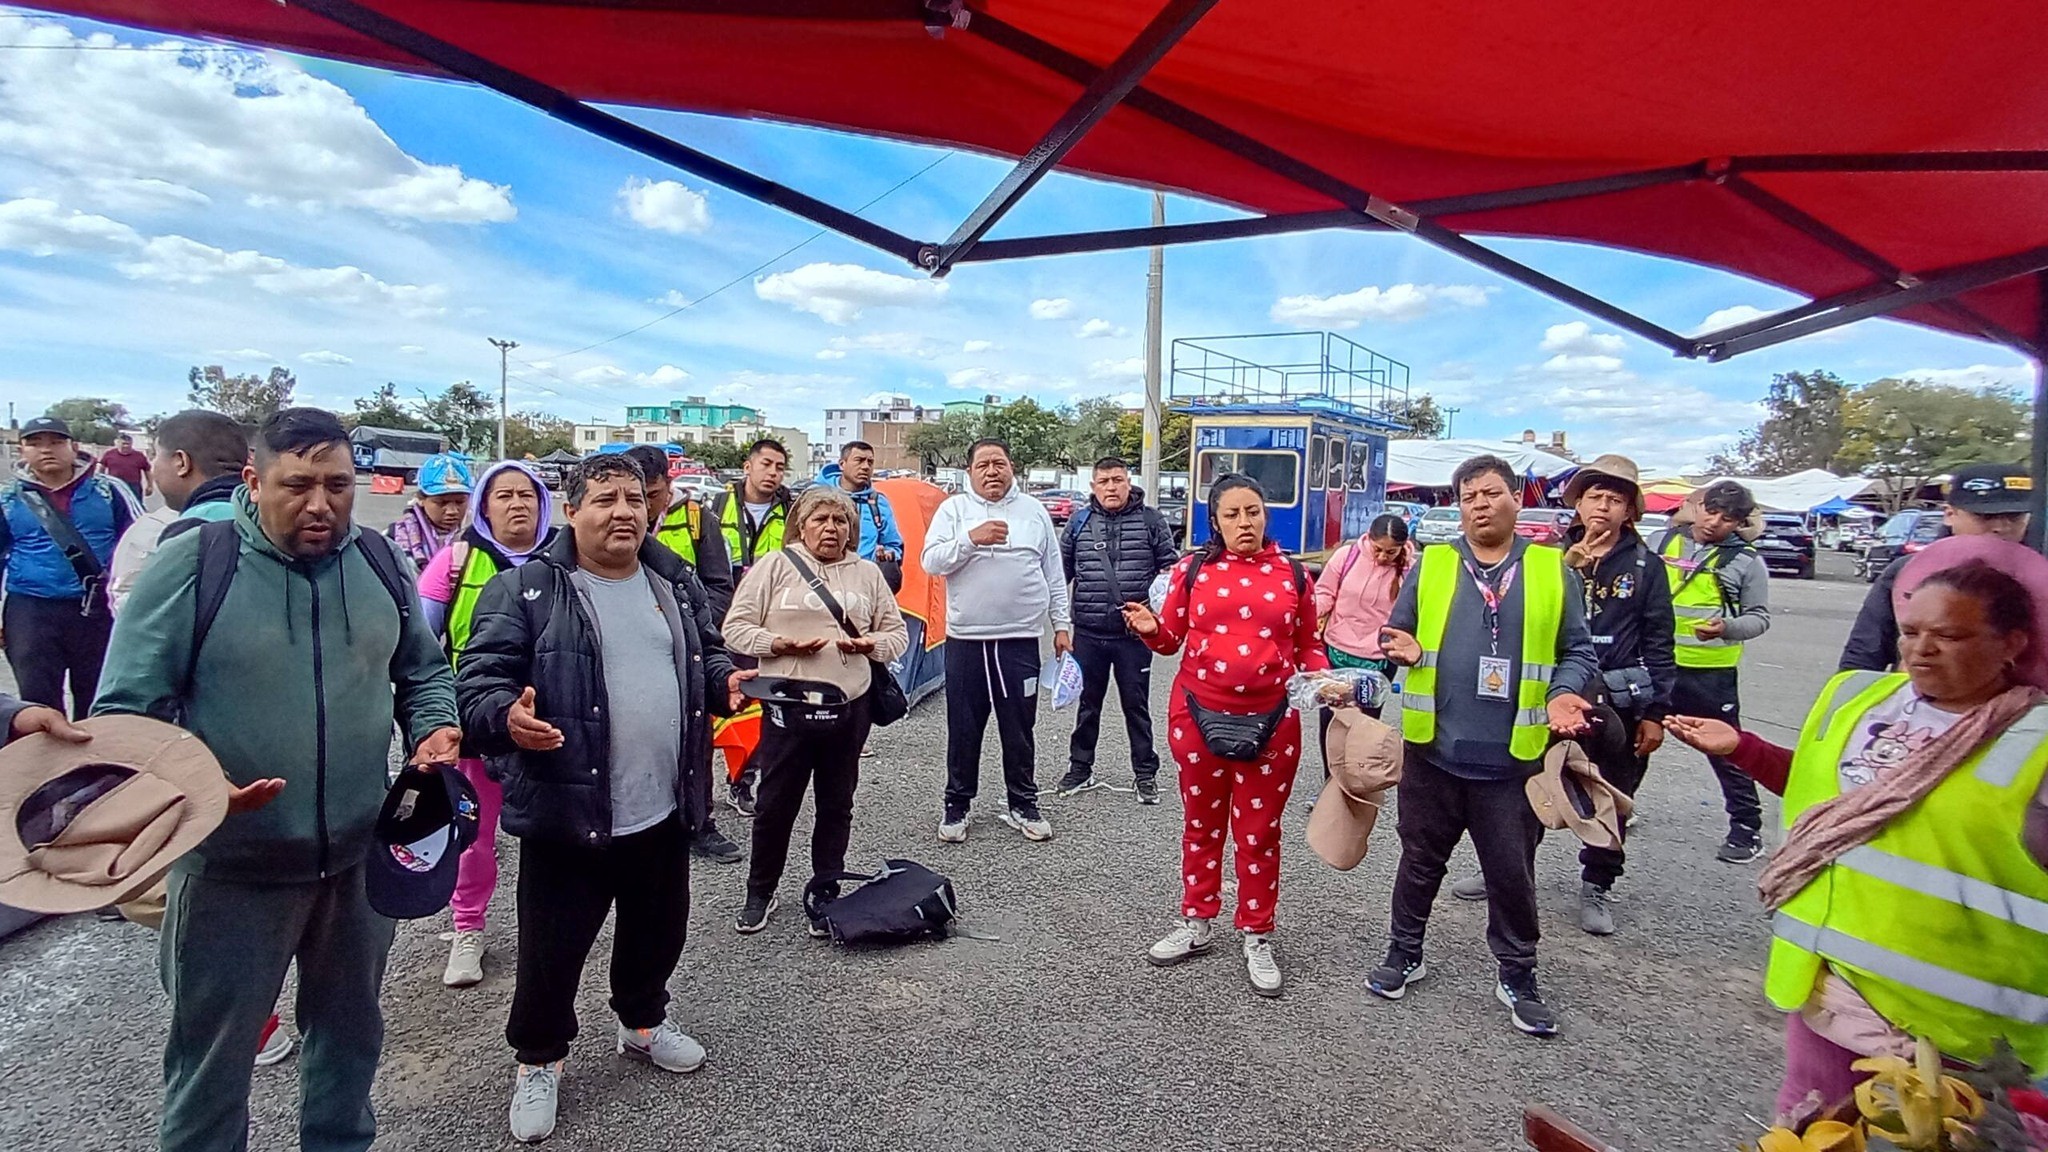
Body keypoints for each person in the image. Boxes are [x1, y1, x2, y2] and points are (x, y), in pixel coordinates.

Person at [93, 407, 462, 1152]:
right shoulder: (195, 562)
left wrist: (433, 725)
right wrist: (193, 785)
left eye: (338, 484)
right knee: (211, 1070)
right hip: (232, 870)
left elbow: (421, 671)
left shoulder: (378, 562)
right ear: (254, 481)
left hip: (358, 864)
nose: (321, 504)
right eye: (297, 485)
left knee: (348, 1045)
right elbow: (123, 713)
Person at [1664, 555, 2048, 1112]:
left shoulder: (2035, 741)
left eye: (1951, 636)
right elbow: (1835, 804)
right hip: (1831, 996)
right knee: (1810, 1131)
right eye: (1911, 632)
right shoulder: (1857, 697)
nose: (1921, 650)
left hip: (1968, 1033)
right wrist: (1744, 749)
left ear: (2012, 642)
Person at [455, 453, 748, 1145]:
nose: (624, 512)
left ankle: (642, 1022)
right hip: (569, 811)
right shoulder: (526, 589)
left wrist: (724, 680)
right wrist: (504, 715)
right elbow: (478, 681)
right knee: (552, 952)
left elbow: (704, 654)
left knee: (658, 931)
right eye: (606, 499)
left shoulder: (672, 581)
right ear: (573, 510)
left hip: (662, 806)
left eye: (634, 500)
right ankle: (539, 1058)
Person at [1368, 454, 1600, 1037]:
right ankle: (1404, 952)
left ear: (1516, 498)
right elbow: (1397, 635)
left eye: (1491, 493)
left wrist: (1565, 694)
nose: (1479, 504)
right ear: (1459, 506)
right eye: (1469, 496)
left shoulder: (1551, 571)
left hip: (1513, 758)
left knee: (1510, 872)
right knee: (1419, 862)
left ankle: (1517, 974)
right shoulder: (1436, 565)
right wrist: (1398, 652)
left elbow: (1579, 651)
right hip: (1434, 751)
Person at [1450, 455, 1677, 935]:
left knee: (1610, 796)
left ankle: (1597, 883)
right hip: (1550, 695)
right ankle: (1506, 873)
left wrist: (1655, 713)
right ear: (1578, 504)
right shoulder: (1549, 556)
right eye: (1595, 496)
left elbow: (1660, 643)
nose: (1603, 506)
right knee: (1527, 791)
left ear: (1629, 511)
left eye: (1615, 499)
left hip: (1616, 702)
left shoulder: (1647, 567)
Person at [1123, 474, 1328, 996]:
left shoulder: (1295, 577)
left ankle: (1256, 932)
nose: (1245, 522)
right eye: (1233, 514)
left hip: (1274, 724)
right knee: (1201, 826)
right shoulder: (1193, 570)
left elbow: (1309, 647)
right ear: (1215, 521)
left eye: (1253, 511)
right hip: (1197, 719)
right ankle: (1197, 920)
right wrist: (1149, 628)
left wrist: (1327, 682)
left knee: (1259, 834)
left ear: (1266, 515)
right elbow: (1170, 640)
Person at [720, 484, 909, 934]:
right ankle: (760, 890)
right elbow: (735, 628)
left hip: (850, 704)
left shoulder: (867, 574)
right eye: (820, 520)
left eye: (840, 521)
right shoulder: (776, 565)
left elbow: (896, 634)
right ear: (801, 526)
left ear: (851, 529)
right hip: (788, 705)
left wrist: (872, 645)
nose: (831, 528)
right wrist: (777, 644)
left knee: (836, 802)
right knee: (775, 803)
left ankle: (827, 888)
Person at [415, 460, 556, 988]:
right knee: (475, 836)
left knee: (555, 835)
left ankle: (552, 932)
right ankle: (468, 928)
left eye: (528, 495)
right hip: (476, 728)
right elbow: (421, 655)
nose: (517, 504)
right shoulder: (452, 563)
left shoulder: (565, 560)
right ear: (484, 505)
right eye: (504, 495)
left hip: (551, 726)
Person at [921, 438, 1072, 844]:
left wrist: (1061, 624)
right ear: (969, 472)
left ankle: (1022, 802)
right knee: (964, 726)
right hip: (967, 640)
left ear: (1012, 468)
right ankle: (957, 804)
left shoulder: (1034, 511)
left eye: (999, 463)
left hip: (1020, 639)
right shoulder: (953, 511)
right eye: (983, 464)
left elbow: (1054, 574)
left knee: (1019, 726)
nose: (992, 471)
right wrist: (972, 538)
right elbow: (930, 561)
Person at [627, 446, 746, 864]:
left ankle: (700, 822)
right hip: (626, 648)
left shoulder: (699, 521)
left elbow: (719, 584)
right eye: (635, 493)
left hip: (686, 647)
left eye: (651, 494)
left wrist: (691, 629)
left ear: (668, 486)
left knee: (696, 734)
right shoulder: (618, 523)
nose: (641, 505)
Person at [1658, 479, 1774, 863]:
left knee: (1726, 751)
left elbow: (1759, 618)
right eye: (1711, 511)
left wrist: (1727, 628)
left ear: (1739, 523)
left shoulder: (1746, 560)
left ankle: (1747, 827)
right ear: (1699, 505)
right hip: (1656, 665)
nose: (1714, 523)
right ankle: (1619, 810)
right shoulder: (1663, 542)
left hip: (1710, 672)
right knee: (1631, 744)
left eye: (1727, 519)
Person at [1055, 455, 1179, 803]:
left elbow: (1170, 574)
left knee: (1136, 705)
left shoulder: (1152, 521)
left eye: (1118, 479)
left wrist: (1156, 618)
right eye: (1104, 481)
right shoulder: (1078, 523)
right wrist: (1059, 625)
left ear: (1128, 482)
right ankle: (1080, 769)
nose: (1111, 486)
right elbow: (1059, 576)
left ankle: (1145, 773)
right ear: (1092, 486)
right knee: (1087, 704)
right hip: (1089, 633)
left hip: (1134, 636)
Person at [1, 415, 139, 717]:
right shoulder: (7, 498)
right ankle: (46, 764)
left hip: (97, 609)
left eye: (56, 442)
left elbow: (139, 546)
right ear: (21, 450)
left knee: (99, 696)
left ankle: (96, 763)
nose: (46, 450)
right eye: (34, 443)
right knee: (37, 701)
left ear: (73, 446)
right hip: (30, 611)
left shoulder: (109, 490)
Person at [1840, 462, 2032, 672]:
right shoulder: (1907, 571)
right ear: (1949, 514)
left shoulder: (2039, 573)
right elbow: (1863, 656)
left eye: (2015, 517)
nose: (2001, 527)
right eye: (1985, 516)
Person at [108, 410, 249, 613]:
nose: (153, 466)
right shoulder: (274, 521)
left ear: (181, 462)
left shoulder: (157, 533)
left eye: (155, 455)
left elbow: (133, 619)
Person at [1315, 512, 1414, 728]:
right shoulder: (1346, 555)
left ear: (1402, 547)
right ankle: (1330, 764)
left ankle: (1360, 764)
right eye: (1377, 549)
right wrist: (1310, 612)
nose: (1382, 557)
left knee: (1366, 726)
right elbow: (1324, 591)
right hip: (1336, 652)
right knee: (1331, 721)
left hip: (1379, 659)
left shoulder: (1411, 571)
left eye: (1391, 552)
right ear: (1368, 537)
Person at [709, 437, 793, 582]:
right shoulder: (718, 506)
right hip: (728, 598)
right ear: (747, 467)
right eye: (766, 464)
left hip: (773, 596)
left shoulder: (790, 513)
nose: (773, 472)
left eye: (779, 468)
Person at [832, 440, 905, 589]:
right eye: (859, 460)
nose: (865, 466)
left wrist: (888, 554)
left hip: (865, 586)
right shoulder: (819, 497)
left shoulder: (878, 503)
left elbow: (894, 545)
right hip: (825, 583)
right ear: (842, 464)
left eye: (870, 462)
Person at [387, 453, 473, 570]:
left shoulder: (479, 536)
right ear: (421, 499)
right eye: (441, 503)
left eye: (460, 502)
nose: (452, 511)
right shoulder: (394, 537)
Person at [99, 431, 154, 504]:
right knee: (115, 506)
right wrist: (101, 483)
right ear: (118, 443)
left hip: (133, 486)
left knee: (135, 505)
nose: (126, 446)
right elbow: (101, 468)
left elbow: (147, 471)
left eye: (128, 444)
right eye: (123, 443)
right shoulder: (109, 454)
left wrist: (150, 485)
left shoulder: (139, 456)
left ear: (131, 444)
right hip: (114, 485)